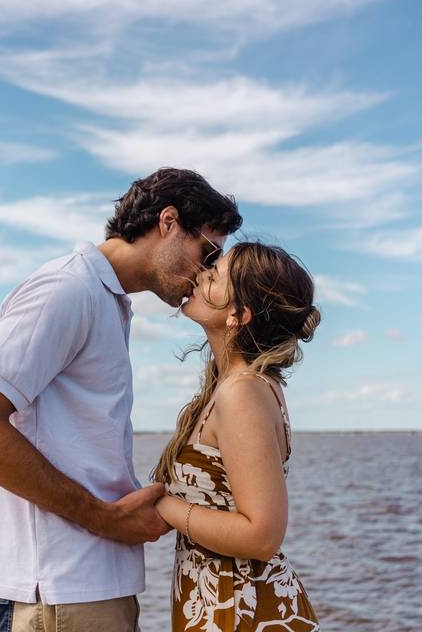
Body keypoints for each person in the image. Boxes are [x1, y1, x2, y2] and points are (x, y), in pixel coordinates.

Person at [0, 168, 242, 632]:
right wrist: (105, 519)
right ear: (167, 222)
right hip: (57, 595)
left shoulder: (106, 301)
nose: (206, 274)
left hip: (83, 592)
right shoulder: (68, 290)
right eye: (209, 252)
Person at [151, 242, 322, 631]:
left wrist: (164, 507)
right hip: (225, 602)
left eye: (214, 277)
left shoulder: (242, 391)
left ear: (238, 314)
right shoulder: (234, 385)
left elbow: (262, 534)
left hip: (242, 609)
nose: (199, 275)